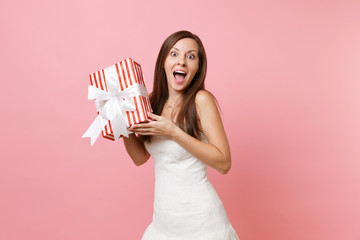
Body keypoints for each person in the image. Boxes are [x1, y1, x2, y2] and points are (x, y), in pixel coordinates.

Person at [123, 30, 239, 240]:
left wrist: (173, 132)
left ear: (197, 69)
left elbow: (224, 163)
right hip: (164, 224)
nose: (182, 62)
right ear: (163, 62)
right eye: (174, 54)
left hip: (202, 223)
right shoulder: (152, 101)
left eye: (191, 56)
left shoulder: (201, 100)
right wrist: (122, 125)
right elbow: (140, 158)